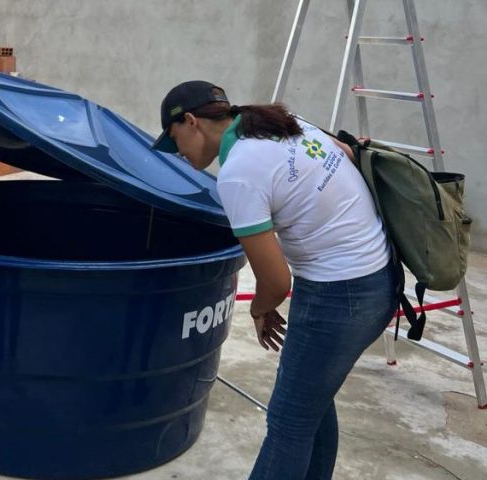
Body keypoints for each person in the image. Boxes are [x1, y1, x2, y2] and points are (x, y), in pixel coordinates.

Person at [153, 81, 397, 480]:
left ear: (192, 122)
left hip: (339, 295)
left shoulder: (238, 172)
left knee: (288, 424)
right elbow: (349, 154)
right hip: (380, 275)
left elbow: (276, 280)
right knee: (312, 402)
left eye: (174, 138)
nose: (177, 151)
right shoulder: (284, 123)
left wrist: (260, 309)